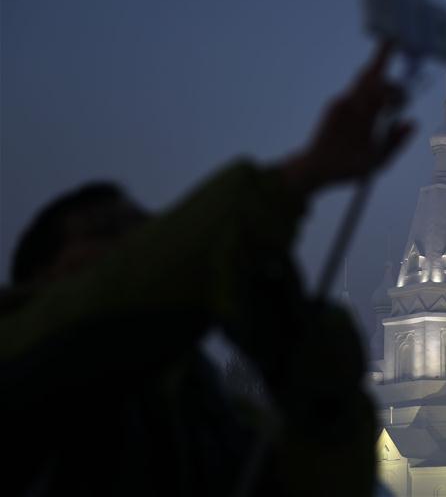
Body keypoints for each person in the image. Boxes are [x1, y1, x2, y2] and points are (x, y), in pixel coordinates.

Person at [0, 42, 414, 496]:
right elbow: (113, 298)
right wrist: (300, 177)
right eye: (102, 231)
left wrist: (323, 404)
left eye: (141, 228)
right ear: (42, 276)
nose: (129, 244)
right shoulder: (19, 355)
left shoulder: (204, 407)